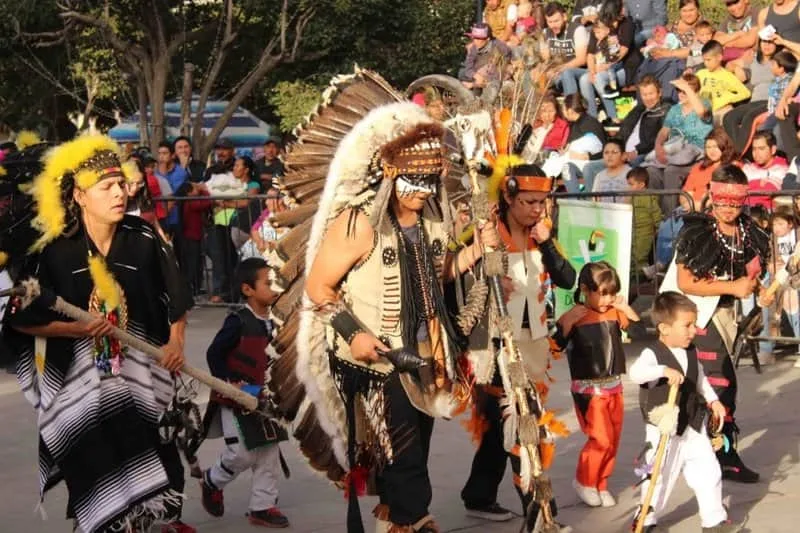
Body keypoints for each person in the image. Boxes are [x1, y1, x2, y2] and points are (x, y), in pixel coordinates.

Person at [303, 113, 499, 532]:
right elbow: (318, 286)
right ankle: (413, 520)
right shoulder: (358, 224)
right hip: (375, 361)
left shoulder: (432, 217)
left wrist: (478, 249)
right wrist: (353, 333)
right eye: (415, 179)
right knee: (405, 458)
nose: (424, 189)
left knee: (411, 454)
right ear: (390, 174)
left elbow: (437, 274)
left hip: (425, 353)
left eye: (431, 180)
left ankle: (395, 521)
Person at [5, 134, 195, 533]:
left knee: (163, 471)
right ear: (79, 194)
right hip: (81, 385)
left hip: (143, 377)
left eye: (121, 184)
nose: (119, 193)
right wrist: (76, 328)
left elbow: (177, 299)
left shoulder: (142, 238)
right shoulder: (54, 250)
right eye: (106, 187)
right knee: (94, 474)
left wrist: (176, 342)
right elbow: (21, 319)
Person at [460, 164, 575, 531]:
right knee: (522, 424)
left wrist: (546, 242)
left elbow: (567, 278)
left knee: (500, 427)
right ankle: (542, 512)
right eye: (528, 201)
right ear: (507, 197)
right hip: (496, 347)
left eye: (542, 202)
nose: (536, 209)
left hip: (535, 344)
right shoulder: (486, 236)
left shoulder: (541, 235)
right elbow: (457, 282)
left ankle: (478, 495)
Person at [663, 164, 770, 484]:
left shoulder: (748, 231)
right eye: (721, 201)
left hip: (723, 316)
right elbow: (686, 282)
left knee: (713, 388)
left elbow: (751, 270)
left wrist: (760, 290)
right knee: (719, 385)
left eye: (734, 202)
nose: (727, 208)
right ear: (712, 196)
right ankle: (718, 455)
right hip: (690, 316)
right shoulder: (696, 230)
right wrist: (734, 288)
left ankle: (712, 453)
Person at [629, 291, 738, 533]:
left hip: (692, 423)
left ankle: (714, 520)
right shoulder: (653, 354)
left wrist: (713, 401)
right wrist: (662, 370)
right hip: (663, 429)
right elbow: (636, 373)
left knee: (708, 470)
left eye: (694, 324)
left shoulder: (691, 352)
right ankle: (646, 520)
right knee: (658, 476)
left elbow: (701, 380)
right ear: (664, 328)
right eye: (687, 325)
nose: (693, 331)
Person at [200, 257, 289, 528]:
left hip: (267, 398)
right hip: (236, 398)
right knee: (241, 452)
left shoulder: (278, 320)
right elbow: (214, 353)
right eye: (267, 282)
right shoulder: (237, 321)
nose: (274, 287)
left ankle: (262, 506)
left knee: (269, 454)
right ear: (248, 289)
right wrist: (229, 383)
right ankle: (212, 481)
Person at [554, 261, 639, 508]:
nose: (607, 299)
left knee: (612, 439)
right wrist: (567, 322)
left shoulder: (614, 312)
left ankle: (601, 484)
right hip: (589, 389)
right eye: (602, 293)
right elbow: (555, 345)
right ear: (585, 290)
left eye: (611, 293)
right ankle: (584, 481)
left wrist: (625, 307)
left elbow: (635, 327)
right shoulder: (576, 316)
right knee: (599, 438)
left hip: (614, 386)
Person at [541, 2, 590, 96]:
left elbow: (582, 59)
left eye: (556, 21)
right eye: (549, 22)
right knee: (530, 74)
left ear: (564, 17)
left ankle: (572, 107)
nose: (553, 25)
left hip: (577, 71)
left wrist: (559, 69)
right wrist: (544, 69)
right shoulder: (546, 32)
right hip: (556, 72)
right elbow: (545, 59)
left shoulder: (578, 30)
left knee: (566, 73)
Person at [696, 40, 751, 120]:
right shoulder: (700, 73)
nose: (706, 63)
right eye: (704, 60)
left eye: (708, 60)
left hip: (719, 111)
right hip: (702, 111)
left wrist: (727, 98)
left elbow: (746, 93)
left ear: (719, 57)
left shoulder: (727, 76)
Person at [627, 168, 663, 279]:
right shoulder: (631, 198)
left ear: (641, 185)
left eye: (631, 184)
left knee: (640, 256)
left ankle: (643, 276)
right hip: (633, 230)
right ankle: (633, 276)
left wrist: (658, 227)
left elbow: (656, 213)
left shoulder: (649, 198)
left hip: (645, 232)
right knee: (632, 255)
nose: (628, 187)